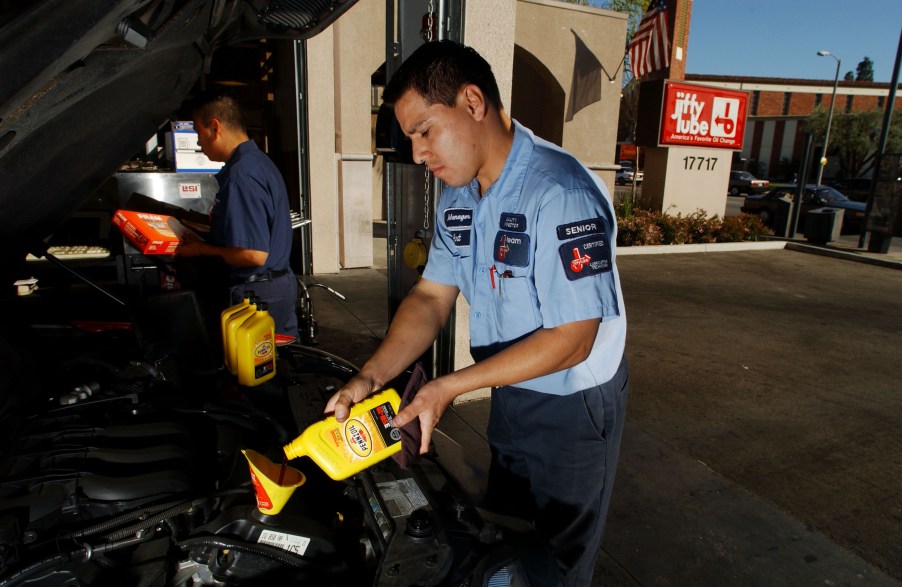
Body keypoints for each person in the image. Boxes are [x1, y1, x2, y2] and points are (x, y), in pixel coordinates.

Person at [325, 41, 628, 586]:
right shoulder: (459, 198)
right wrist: (370, 376)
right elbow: (430, 297)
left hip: (573, 405)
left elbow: (574, 339)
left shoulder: (560, 192)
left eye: (423, 131)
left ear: (472, 102)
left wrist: (447, 388)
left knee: (552, 568)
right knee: (505, 544)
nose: (417, 154)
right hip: (510, 388)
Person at [175, 90, 298, 338]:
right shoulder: (258, 162)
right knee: (278, 364)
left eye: (198, 133)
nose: (198, 143)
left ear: (214, 127)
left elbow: (252, 254)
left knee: (253, 371)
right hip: (275, 285)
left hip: (258, 295)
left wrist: (201, 250)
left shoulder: (242, 175)